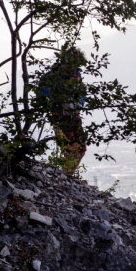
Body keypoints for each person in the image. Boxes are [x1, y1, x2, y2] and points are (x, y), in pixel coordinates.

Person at [38, 45, 88, 175]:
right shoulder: (53, 76)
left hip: (74, 115)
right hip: (59, 115)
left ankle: (68, 173)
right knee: (69, 147)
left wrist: (80, 102)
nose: (73, 67)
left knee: (81, 148)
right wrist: (49, 105)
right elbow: (42, 91)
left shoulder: (77, 74)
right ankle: (66, 174)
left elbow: (81, 92)